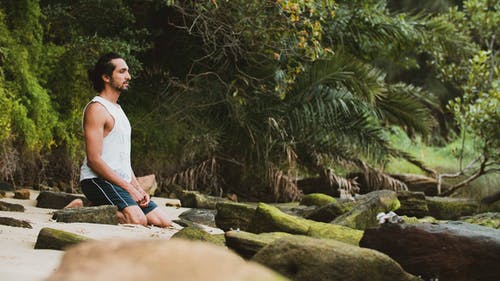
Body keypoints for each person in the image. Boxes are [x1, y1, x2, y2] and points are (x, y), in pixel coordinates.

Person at [79, 52, 172, 227]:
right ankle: (80, 209)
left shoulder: (118, 110)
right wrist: (129, 188)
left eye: (127, 71)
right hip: (96, 180)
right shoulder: (97, 109)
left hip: (120, 182)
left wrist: (138, 188)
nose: (128, 76)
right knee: (137, 220)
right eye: (122, 72)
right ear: (106, 77)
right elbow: (94, 160)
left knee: (163, 222)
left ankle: (92, 207)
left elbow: (122, 161)